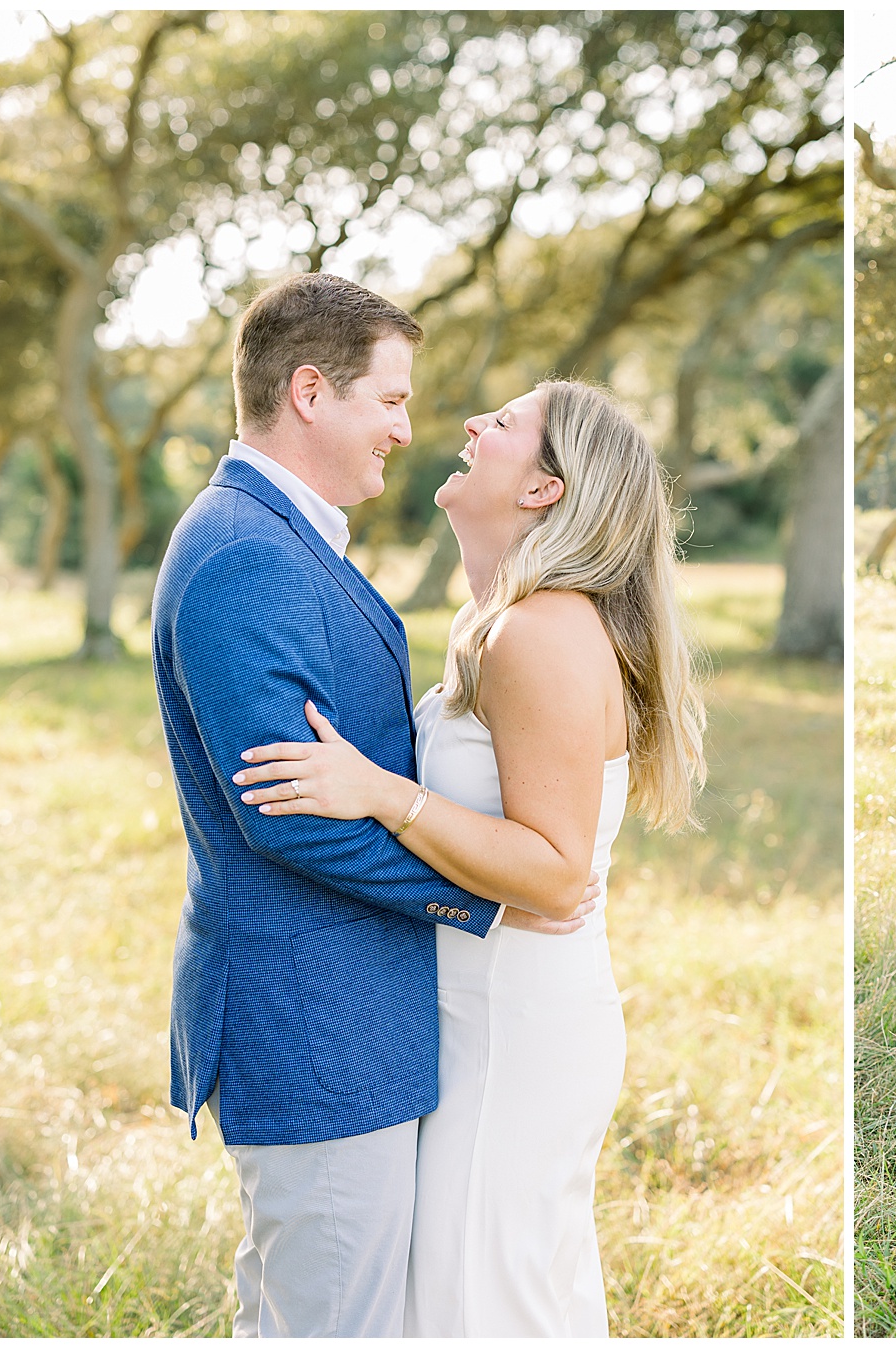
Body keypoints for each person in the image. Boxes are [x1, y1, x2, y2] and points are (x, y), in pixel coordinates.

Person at [151, 272, 594, 1338]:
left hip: (358, 1020)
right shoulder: (247, 555)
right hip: (316, 1025)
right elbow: (287, 810)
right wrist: (483, 902)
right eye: (390, 399)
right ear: (312, 391)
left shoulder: (282, 538)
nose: (407, 427)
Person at [235, 378, 707, 1335]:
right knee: (488, 1289)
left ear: (544, 487)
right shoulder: (500, 621)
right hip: (477, 1007)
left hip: (513, 1027)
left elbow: (555, 873)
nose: (471, 427)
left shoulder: (536, 635)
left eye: (506, 423)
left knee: (481, 1301)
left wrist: (383, 794)